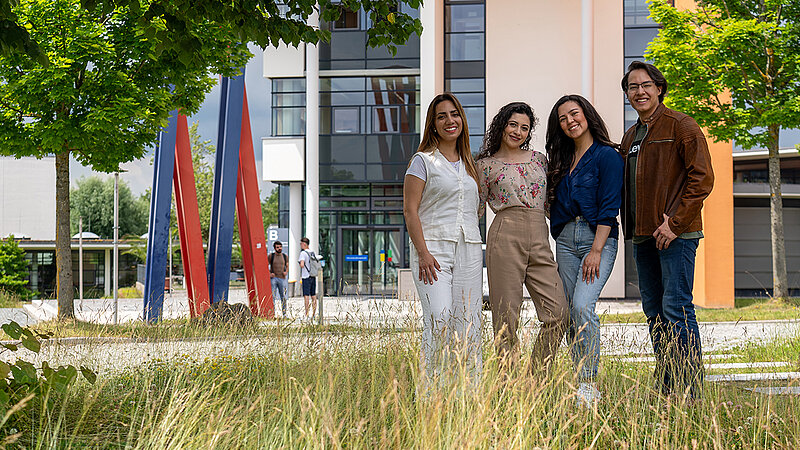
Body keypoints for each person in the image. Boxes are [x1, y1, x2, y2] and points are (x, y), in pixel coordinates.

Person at [620, 61, 714, 399]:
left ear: (659, 88)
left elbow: (702, 179)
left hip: (676, 235)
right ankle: (668, 384)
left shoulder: (682, 126)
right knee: (654, 312)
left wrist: (674, 223)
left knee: (676, 307)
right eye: (632, 87)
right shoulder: (631, 136)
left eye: (646, 85)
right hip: (643, 235)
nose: (639, 92)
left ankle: (689, 390)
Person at [476, 102, 568, 375]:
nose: (518, 131)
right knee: (506, 317)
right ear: (502, 125)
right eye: (513, 124)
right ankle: (507, 385)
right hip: (504, 234)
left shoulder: (539, 159)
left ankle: (535, 378)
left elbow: (553, 202)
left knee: (559, 314)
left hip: (539, 233)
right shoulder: (484, 166)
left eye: (524, 128)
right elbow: (475, 209)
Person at [545, 94, 624, 406]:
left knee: (582, 306)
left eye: (574, 114)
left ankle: (589, 383)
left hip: (598, 239)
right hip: (565, 240)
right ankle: (578, 378)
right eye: (563, 119)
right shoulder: (562, 161)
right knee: (566, 312)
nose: (569, 122)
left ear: (587, 115)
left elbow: (609, 207)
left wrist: (596, 249)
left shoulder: (607, 156)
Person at [403, 93, 484, 387]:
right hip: (433, 251)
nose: (450, 120)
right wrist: (422, 254)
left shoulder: (470, 164)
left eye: (454, 114)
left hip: (470, 252)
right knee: (439, 317)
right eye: (442, 116)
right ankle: (430, 393)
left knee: (469, 325)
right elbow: (410, 210)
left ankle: (469, 394)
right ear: (433, 125)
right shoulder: (423, 161)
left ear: (462, 119)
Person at [298, 237, 318, 321]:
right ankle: (314, 314)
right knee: (313, 295)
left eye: (301, 243)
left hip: (306, 276)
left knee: (306, 296)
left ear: (304, 244)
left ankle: (307, 314)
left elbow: (302, 264)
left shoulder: (303, 253)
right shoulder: (312, 252)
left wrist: (300, 263)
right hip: (313, 276)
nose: (300, 245)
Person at [269, 241, 289, 318]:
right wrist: (269, 273)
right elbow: (266, 264)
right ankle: (272, 314)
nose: (279, 248)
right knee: (273, 296)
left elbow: (287, 265)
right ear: (274, 248)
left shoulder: (284, 256)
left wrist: (286, 272)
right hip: (273, 278)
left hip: (282, 279)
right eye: (277, 247)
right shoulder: (271, 256)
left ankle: (284, 314)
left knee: (283, 296)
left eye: (280, 247)